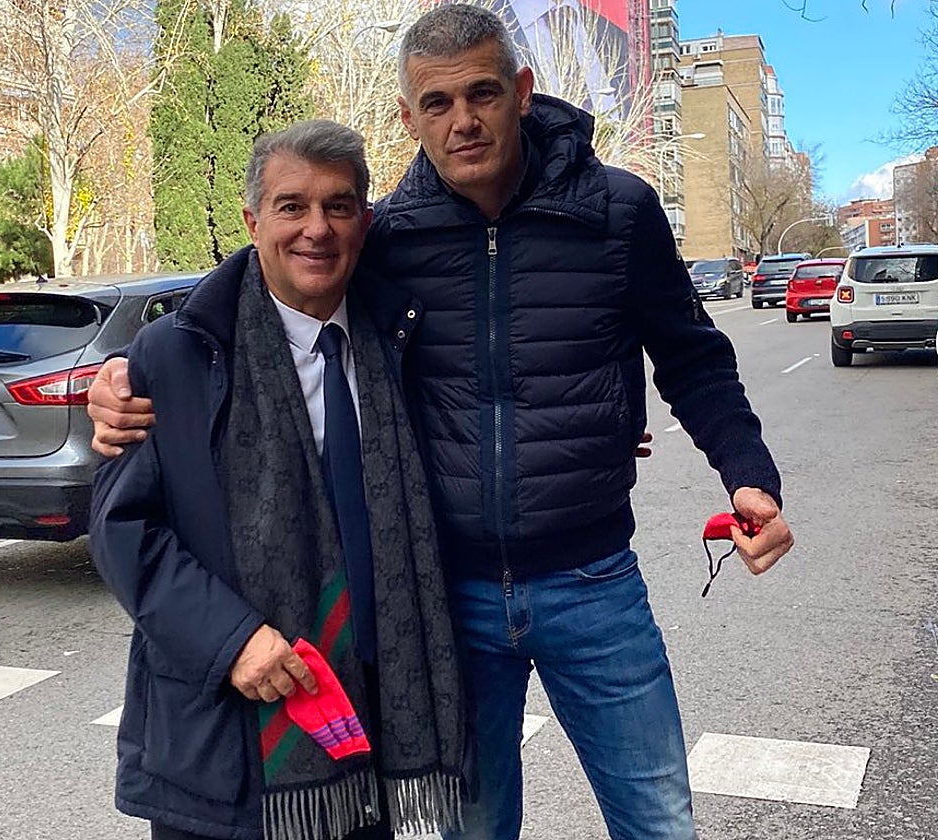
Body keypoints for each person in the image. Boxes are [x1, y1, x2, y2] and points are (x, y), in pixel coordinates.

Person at [87, 6, 795, 839]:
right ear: (408, 116)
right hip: (448, 596)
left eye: (483, 93)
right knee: (474, 827)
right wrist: (133, 367)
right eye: (437, 103)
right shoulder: (389, 236)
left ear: (522, 92)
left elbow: (692, 355)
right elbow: (272, 278)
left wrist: (747, 472)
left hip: (592, 580)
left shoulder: (619, 212)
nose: (463, 120)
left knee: (658, 819)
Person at [89, 120, 466, 840]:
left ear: (366, 219)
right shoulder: (175, 356)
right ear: (252, 219)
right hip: (224, 739)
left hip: (367, 719)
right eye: (292, 206)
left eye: (338, 206)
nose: (316, 230)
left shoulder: (402, 342)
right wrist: (233, 642)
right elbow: (121, 533)